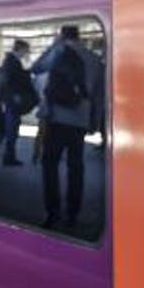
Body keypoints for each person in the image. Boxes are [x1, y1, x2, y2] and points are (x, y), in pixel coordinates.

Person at [31, 24, 105, 229]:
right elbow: (99, 96)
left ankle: (52, 212)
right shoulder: (94, 59)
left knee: (50, 165)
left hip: (57, 118)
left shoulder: (58, 51)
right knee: (76, 166)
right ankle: (73, 213)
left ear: (62, 35)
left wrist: (53, 46)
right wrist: (95, 122)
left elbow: (36, 67)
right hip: (80, 121)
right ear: (79, 36)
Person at [0, 39, 36, 166]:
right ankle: (9, 157)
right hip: (14, 99)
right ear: (20, 49)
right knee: (12, 129)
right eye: (26, 50)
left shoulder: (12, 61)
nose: (27, 53)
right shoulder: (12, 62)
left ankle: (10, 156)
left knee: (13, 128)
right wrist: (14, 95)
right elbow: (10, 81)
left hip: (12, 99)